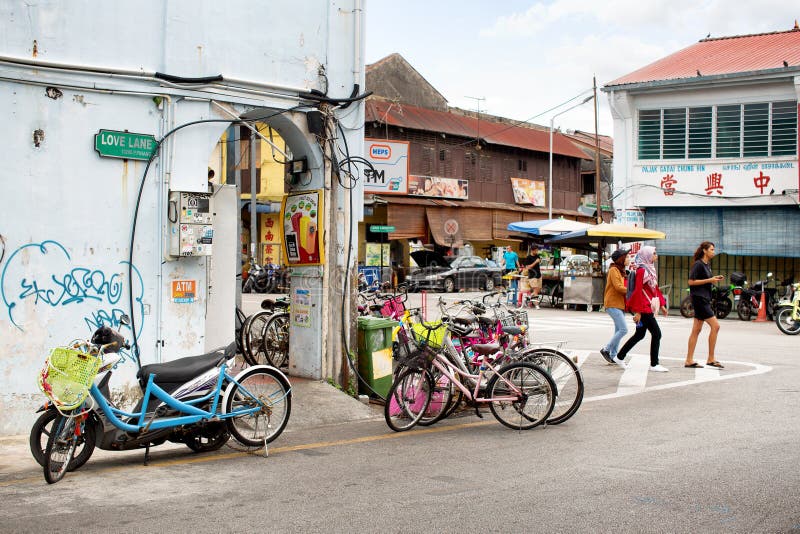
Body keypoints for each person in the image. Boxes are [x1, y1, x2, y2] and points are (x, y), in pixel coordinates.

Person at [615, 246, 669, 372]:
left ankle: (619, 357)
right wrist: (638, 311)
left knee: (639, 334)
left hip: (648, 306)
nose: (656, 255)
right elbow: (638, 291)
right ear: (647, 255)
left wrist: (662, 305)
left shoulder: (650, 270)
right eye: (654, 253)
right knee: (657, 333)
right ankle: (654, 364)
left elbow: (655, 289)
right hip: (644, 308)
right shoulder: (642, 271)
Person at [685, 241, 725, 369]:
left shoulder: (707, 265)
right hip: (699, 299)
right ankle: (710, 358)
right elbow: (691, 282)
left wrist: (714, 278)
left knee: (696, 330)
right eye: (712, 249)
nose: (713, 251)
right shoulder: (699, 264)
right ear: (705, 251)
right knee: (716, 326)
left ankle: (689, 360)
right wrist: (710, 280)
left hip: (704, 299)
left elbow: (704, 281)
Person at [600, 248, 630, 368]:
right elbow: (618, 287)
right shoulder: (614, 270)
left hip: (619, 304)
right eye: (627, 257)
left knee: (618, 330)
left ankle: (613, 355)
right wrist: (632, 291)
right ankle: (606, 349)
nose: (628, 259)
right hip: (612, 303)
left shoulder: (621, 270)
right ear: (621, 259)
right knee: (624, 330)